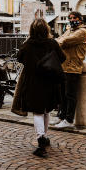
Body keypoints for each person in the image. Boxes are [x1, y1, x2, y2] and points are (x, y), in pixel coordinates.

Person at [11, 18, 64, 158]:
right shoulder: (52, 43)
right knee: (46, 110)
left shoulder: (28, 44)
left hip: (33, 82)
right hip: (50, 81)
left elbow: (19, 58)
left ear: (32, 31)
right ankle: (44, 136)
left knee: (37, 111)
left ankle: (41, 139)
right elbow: (62, 58)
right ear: (46, 29)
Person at [54, 11, 86, 129]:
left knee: (70, 94)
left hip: (73, 67)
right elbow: (61, 38)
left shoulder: (82, 32)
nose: (72, 20)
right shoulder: (70, 30)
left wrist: (57, 42)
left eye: (74, 18)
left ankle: (69, 119)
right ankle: (62, 116)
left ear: (80, 19)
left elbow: (65, 40)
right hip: (64, 65)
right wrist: (58, 41)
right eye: (70, 18)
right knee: (63, 94)